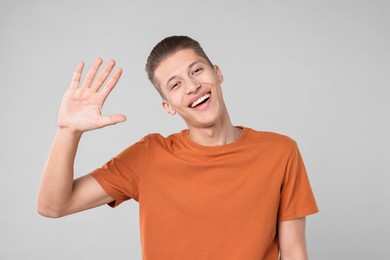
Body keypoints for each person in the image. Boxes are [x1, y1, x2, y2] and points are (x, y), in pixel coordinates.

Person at [38, 35, 319, 260]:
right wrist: (68, 132)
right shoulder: (148, 156)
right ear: (168, 106)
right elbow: (53, 206)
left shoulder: (280, 152)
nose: (193, 86)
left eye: (197, 70)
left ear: (217, 73)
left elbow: (294, 252)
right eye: (175, 85)